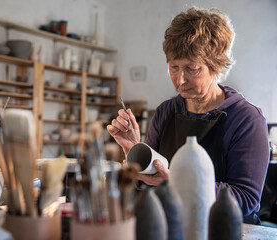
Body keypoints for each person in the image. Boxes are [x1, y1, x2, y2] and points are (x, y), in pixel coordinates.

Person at [107, 7, 269, 224]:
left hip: (225, 230)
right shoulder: (166, 111)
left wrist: (177, 181)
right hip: (172, 225)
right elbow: (146, 182)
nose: (180, 80)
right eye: (174, 67)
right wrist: (135, 153)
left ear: (217, 66)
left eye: (192, 69)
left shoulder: (246, 119)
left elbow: (246, 199)